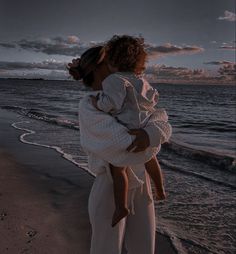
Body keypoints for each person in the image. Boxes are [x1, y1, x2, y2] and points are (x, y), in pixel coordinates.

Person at [67, 36, 172, 254]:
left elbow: (161, 119)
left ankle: (158, 189)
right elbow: (125, 145)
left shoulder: (125, 91)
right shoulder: (90, 104)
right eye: (111, 63)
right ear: (99, 68)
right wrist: (150, 136)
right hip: (111, 186)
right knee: (106, 248)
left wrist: (152, 133)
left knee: (144, 248)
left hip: (142, 184)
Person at [88, 35, 167, 228]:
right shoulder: (143, 81)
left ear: (112, 61)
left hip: (128, 133)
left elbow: (111, 103)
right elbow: (153, 100)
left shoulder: (115, 80)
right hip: (144, 129)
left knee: (118, 170)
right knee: (151, 158)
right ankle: (160, 188)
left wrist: (97, 102)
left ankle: (121, 206)